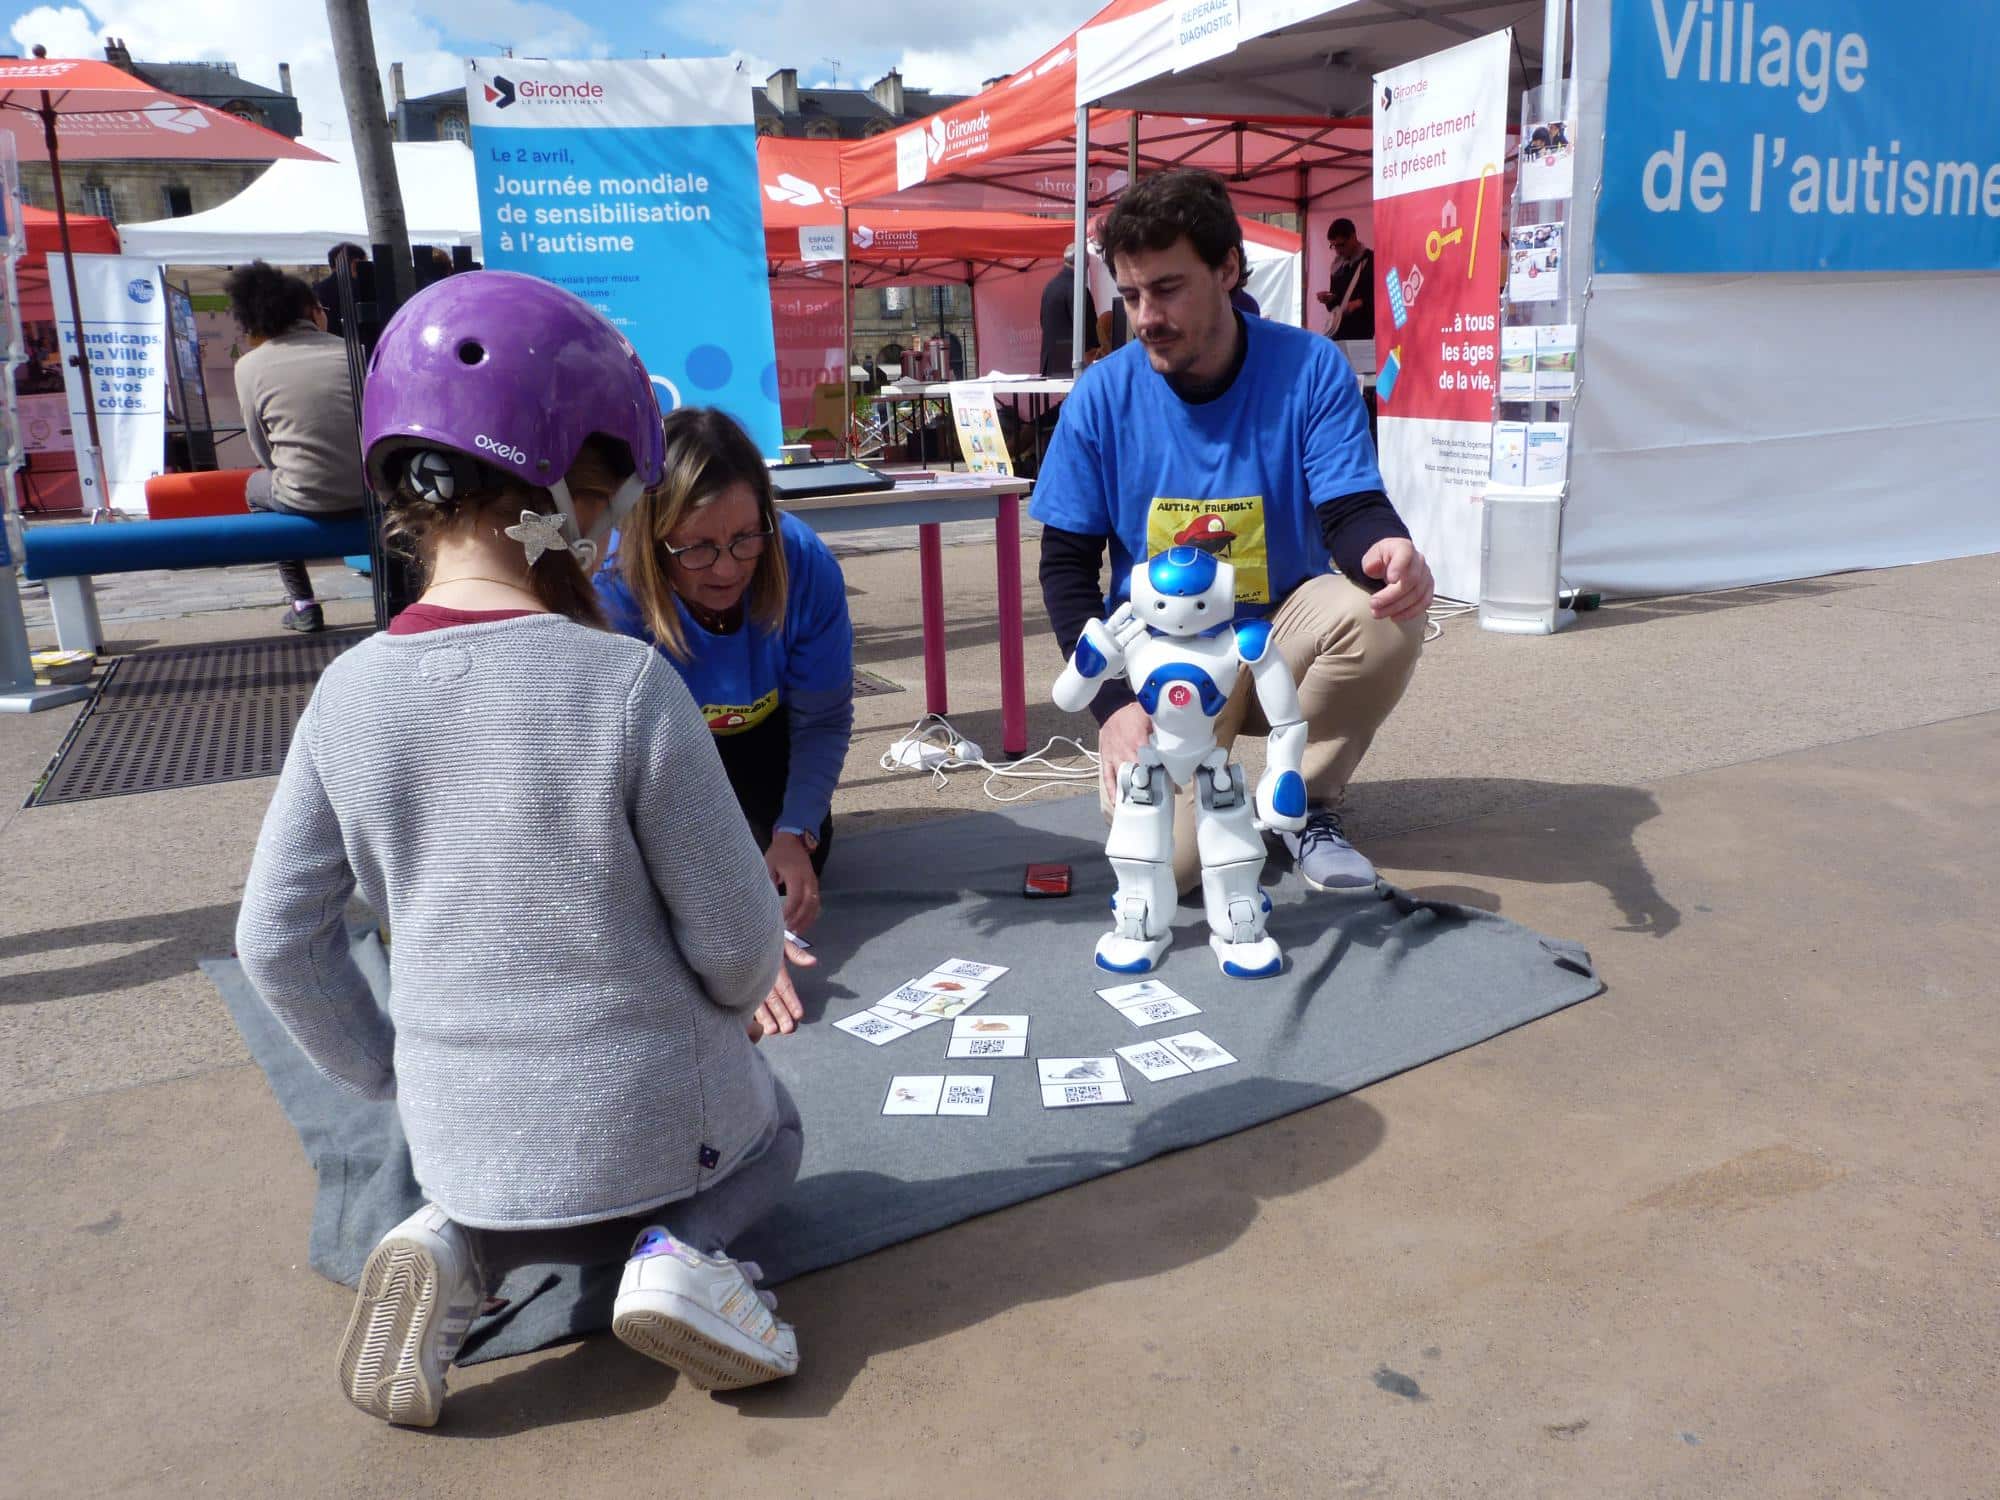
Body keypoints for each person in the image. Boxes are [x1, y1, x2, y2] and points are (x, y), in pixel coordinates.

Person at [235, 271, 803, 1429]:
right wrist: (734, 987)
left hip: (460, 1138)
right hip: (662, 1124)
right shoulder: (626, 684)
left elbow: (274, 942)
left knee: (497, 1191)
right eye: (601, 498)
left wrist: (394, 1070)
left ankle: (454, 1249)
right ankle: (680, 1259)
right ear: (566, 490)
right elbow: (742, 948)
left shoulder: (346, 696)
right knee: (776, 1134)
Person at [1031, 169, 1433, 896]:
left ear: (1227, 270)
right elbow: (1064, 566)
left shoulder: (1308, 366)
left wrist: (1386, 547)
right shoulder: (1102, 394)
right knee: (1173, 877)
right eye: (1129, 295)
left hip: (1278, 632)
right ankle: (1229, 806)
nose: (1145, 315)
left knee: (1381, 615)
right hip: (1163, 659)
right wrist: (1112, 707)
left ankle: (1305, 805)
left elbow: (1350, 510)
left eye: (1168, 288)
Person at [597, 407, 855, 1043]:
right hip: (657, 763)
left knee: (793, 863)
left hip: (766, 744)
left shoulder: (802, 562)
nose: (727, 567)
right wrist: (736, 945)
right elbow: (618, 786)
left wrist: (796, 832)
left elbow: (822, 720)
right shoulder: (612, 592)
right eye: (698, 548)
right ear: (654, 541)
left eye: (745, 537)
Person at [224, 261, 367, 633]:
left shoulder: (249, 366)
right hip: (373, 492)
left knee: (255, 488)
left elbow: (262, 448)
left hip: (303, 496)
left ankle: (303, 602)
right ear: (312, 311)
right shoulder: (357, 352)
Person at [1039, 242, 1101, 377]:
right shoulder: (1078, 289)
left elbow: (1043, 323)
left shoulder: (1050, 287)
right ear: (1083, 261)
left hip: (1050, 364)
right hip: (1074, 366)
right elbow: (1089, 331)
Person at [1318, 218, 1374, 341]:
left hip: (1363, 336)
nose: (1338, 251)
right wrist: (1329, 299)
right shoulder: (1337, 266)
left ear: (1353, 237)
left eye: (1341, 245)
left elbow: (1382, 299)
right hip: (1339, 334)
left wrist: (1360, 303)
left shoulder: (1371, 261)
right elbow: (1335, 307)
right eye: (1334, 246)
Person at [312, 242, 370, 337]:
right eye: (365, 262)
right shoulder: (364, 288)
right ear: (355, 263)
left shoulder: (316, 290)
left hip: (329, 342)